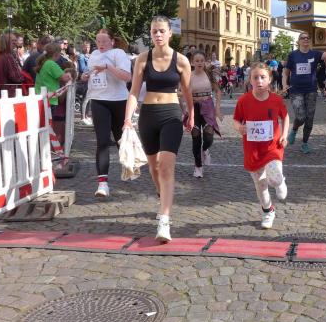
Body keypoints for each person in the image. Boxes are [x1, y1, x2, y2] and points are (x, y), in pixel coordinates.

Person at [124, 16, 193, 242]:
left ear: (170, 33)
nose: (158, 35)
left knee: (165, 166)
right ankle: (161, 195)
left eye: (162, 31)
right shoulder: (142, 59)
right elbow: (134, 91)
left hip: (171, 115)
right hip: (148, 116)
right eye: (154, 31)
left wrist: (191, 113)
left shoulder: (181, 60)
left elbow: (187, 91)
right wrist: (127, 119)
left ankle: (164, 220)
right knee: (153, 167)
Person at [233, 62, 289, 229]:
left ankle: (280, 181)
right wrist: (239, 128)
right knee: (261, 184)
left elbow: (285, 117)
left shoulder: (276, 100)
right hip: (253, 149)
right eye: (255, 77)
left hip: (273, 147)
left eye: (263, 77)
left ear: (269, 79)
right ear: (250, 80)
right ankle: (268, 211)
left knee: (275, 179)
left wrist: (284, 135)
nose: (259, 81)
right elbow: (236, 120)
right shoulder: (244, 100)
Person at [80, 29, 132, 199]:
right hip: (98, 100)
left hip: (118, 101)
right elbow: (92, 74)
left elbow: (127, 77)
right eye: (98, 41)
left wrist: (108, 67)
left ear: (112, 41)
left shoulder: (118, 54)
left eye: (104, 41)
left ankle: (128, 164)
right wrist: (85, 76)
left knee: (120, 139)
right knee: (102, 141)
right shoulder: (94, 55)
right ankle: (102, 184)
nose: (101, 45)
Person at [283, 30, 326, 153]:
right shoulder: (293, 55)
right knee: (301, 116)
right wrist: (284, 84)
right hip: (295, 90)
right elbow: (286, 73)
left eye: (308, 37)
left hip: (311, 90)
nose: (306, 39)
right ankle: (294, 129)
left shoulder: (315, 54)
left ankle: (305, 143)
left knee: (309, 119)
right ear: (298, 41)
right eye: (303, 38)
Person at [187, 51, 222, 178]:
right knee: (196, 137)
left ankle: (205, 149)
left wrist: (217, 109)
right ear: (192, 62)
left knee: (208, 138)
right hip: (194, 108)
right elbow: (183, 93)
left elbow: (218, 91)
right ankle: (198, 167)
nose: (199, 63)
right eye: (197, 61)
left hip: (208, 107)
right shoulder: (188, 76)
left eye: (202, 60)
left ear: (205, 62)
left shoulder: (209, 74)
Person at [35, 43, 74, 146]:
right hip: (50, 99)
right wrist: (70, 74)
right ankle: (46, 147)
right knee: (47, 126)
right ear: (56, 54)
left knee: (42, 125)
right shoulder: (51, 64)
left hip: (42, 97)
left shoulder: (44, 63)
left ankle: (43, 147)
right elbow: (64, 77)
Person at [0, 31, 24, 99]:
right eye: (13, 41)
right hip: (9, 94)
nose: (15, 43)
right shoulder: (7, 57)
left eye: (15, 41)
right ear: (6, 42)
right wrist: (22, 75)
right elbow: (16, 77)